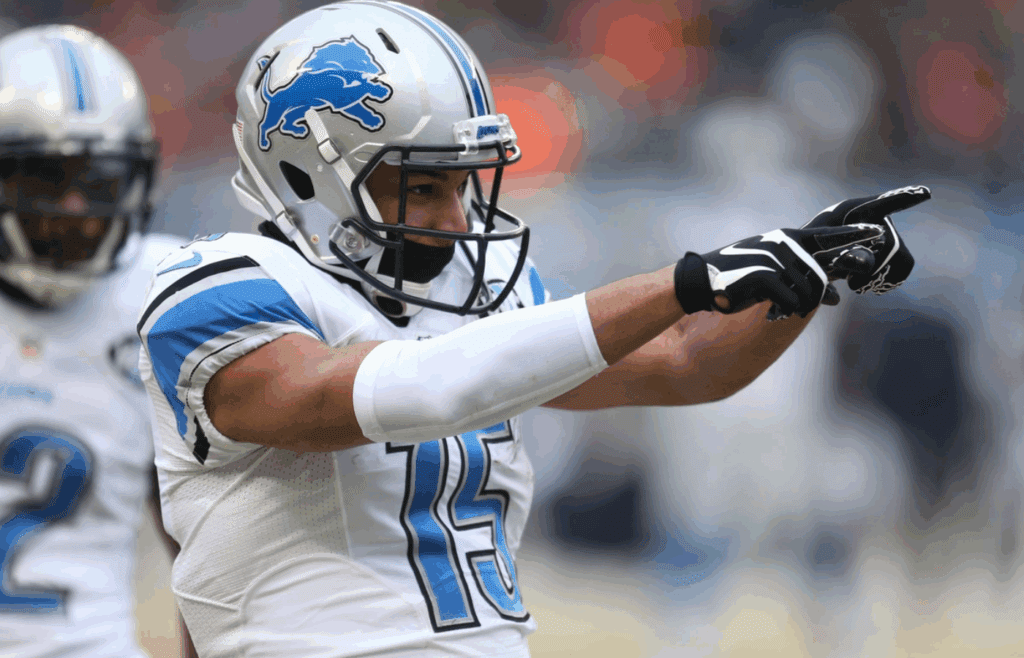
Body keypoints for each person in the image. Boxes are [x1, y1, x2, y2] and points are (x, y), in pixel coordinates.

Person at [136, 2, 931, 656]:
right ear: (310, 175)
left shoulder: (467, 289)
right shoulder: (218, 290)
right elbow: (391, 392)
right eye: (421, 190)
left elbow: (689, 363)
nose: (456, 221)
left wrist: (800, 279)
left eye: (461, 185)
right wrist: (685, 280)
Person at [0, 24, 194, 658]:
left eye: (99, 180)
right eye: (47, 179)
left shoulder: (159, 299)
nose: (78, 207)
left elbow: (207, 558)